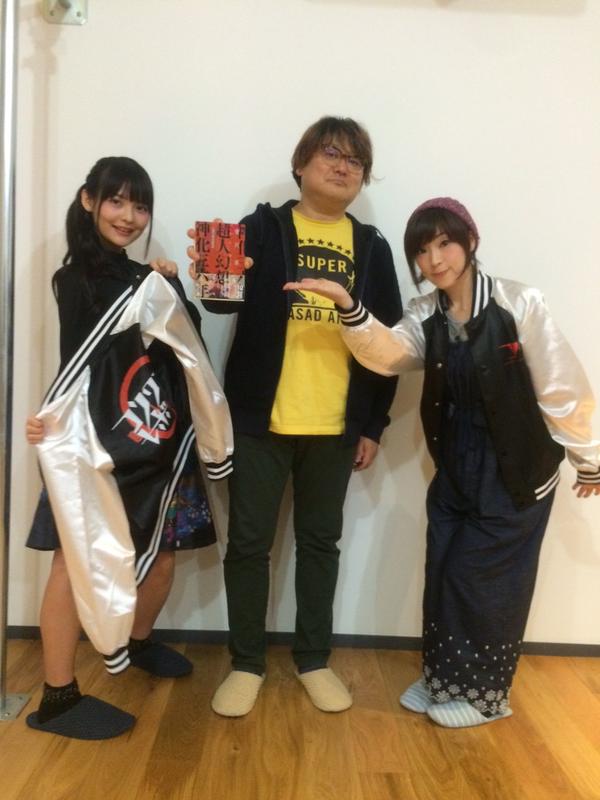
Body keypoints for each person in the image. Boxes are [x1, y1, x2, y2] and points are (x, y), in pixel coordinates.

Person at [283, 196, 600, 728]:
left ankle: (487, 697)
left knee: (485, 581)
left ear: (470, 241)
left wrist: (589, 457)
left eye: (445, 243)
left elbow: (560, 383)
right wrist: (348, 305)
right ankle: (443, 679)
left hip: (514, 472)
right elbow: (387, 354)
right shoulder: (424, 313)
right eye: (423, 250)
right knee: (444, 571)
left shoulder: (518, 303)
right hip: (455, 467)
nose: (435, 259)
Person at [187, 117, 403, 716]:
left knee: (320, 545)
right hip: (260, 423)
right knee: (248, 545)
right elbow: (220, 302)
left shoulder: (372, 247)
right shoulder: (262, 227)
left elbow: (387, 342)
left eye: (355, 161)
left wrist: (373, 425)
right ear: (301, 164)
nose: (342, 167)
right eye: (331, 153)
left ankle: (313, 659)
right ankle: (246, 663)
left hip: (335, 428)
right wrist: (209, 277)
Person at [25, 156, 232, 739]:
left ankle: (137, 643)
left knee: (163, 554)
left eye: (140, 206)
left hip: (157, 436)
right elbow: (81, 362)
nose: (129, 216)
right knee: (73, 562)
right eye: (116, 201)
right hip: (95, 441)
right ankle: (58, 696)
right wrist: (52, 416)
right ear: (88, 200)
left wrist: (170, 287)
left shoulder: (147, 278)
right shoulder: (76, 279)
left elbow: (185, 349)